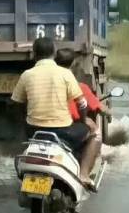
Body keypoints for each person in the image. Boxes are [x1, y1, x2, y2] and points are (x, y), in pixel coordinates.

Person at [11, 37, 95, 186]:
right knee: (95, 135)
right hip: (63, 131)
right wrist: (83, 121)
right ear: (54, 53)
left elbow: (17, 103)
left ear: (34, 54)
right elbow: (82, 104)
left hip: (34, 131)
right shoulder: (65, 74)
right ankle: (84, 175)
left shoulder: (27, 75)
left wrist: (25, 122)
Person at [55, 48, 103, 183]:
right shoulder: (77, 85)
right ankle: (84, 175)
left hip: (41, 127)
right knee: (95, 131)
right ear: (74, 63)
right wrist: (84, 118)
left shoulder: (43, 82)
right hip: (68, 127)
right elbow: (85, 105)